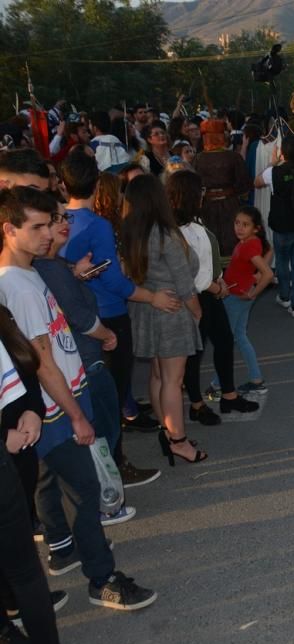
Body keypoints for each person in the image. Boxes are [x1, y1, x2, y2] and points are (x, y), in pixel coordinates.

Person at [0, 186, 156, 611]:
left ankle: (63, 550)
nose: (50, 233)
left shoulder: (32, 271)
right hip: (56, 409)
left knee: (51, 483)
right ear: (8, 230)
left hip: (62, 400)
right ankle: (102, 580)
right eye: (38, 226)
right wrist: (77, 416)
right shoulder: (17, 285)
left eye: (51, 223)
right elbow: (43, 362)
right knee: (87, 491)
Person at [58, 149, 169, 486]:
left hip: (72, 320)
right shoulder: (98, 225)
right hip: (108, 316)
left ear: (63, 184)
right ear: (98, 183)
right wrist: (151, 295)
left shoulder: (58, 221)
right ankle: (115, 467)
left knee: (90, 396)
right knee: (114, 395)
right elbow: (114, 282)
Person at [0, 322, 88, 644]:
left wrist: (32, 411)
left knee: (21, 571)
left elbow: (22, 382)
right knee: (26, 572)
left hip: (15, 464)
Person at [118, 175, 205, 466]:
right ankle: (178, 441)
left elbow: (126, 274)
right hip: (172, 312)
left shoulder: (129, 232)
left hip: (145, 310)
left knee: (157, 376)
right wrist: (197, 311)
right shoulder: (166, 234)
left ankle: (167, 433)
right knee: (173, 380)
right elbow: (184, 282)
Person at [168, 171, 258, 426]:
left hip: (211, 292)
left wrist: (217, 280)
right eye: (200, 191)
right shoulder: (176, 229)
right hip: (196, 296)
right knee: (195, 352)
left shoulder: (194, 221)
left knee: (224, 341)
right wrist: (215, 287)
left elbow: (206, 260)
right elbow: (187, 272)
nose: (204, 195)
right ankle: (196, 404)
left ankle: (228, 395)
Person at [254, 134, 294, 317]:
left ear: (282, 152)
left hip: (282, 224)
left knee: (282, 261)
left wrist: (272, 163)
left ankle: (284, 296)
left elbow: (256, 183)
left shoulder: (273, 172)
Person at [220, 207, 273, 394]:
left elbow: (268, 274)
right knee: (240, 337)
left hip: (236, 298)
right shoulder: (251, 242)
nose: (239, 228)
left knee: (226, 341)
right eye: (237, 223)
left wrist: (254, 291)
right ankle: (256, 379)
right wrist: (255, 277)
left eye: (245, 225)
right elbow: (269, 252)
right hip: (238, 296)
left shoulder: (248, 246)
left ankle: (218, 383)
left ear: (255, 228)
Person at [191, 119, 252, 257]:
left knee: (212, 238)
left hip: (208, 205)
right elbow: (244, 185)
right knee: (230, 237)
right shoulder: (233, 157)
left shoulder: (198, 159)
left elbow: (193, 184)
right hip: (229, 204)